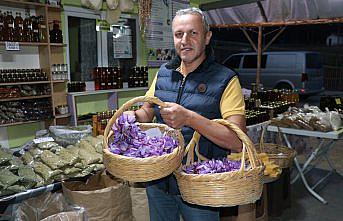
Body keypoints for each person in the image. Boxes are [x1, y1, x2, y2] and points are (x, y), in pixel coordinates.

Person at [131, 7, 246, 221]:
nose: (185, 40)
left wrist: (190, 118)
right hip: (158, 180)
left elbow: (237, 140)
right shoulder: (164, 73)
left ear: (207, 37)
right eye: (179, 34)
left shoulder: (226, 79)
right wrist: (132, 118)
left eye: (193, 33)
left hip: (200, 185)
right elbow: (148, 110)